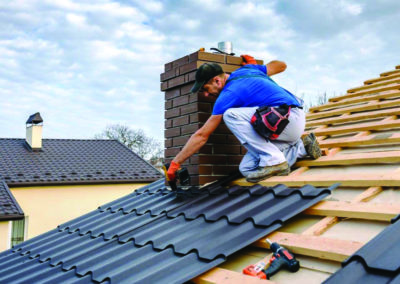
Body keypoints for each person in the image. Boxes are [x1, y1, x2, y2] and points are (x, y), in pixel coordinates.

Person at [167, 55, 321, 183]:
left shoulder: (228, 94)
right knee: (247, 169)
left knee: (231, 115)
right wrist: (257, 69)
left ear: (217, 81)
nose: (206, 95)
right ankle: (302, 147)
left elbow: (202, 136)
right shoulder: (248, 70)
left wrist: (176, 163)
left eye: (206, 89)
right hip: (287, 125)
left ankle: (275, 161)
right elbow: (281, 65)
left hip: (288, 118)